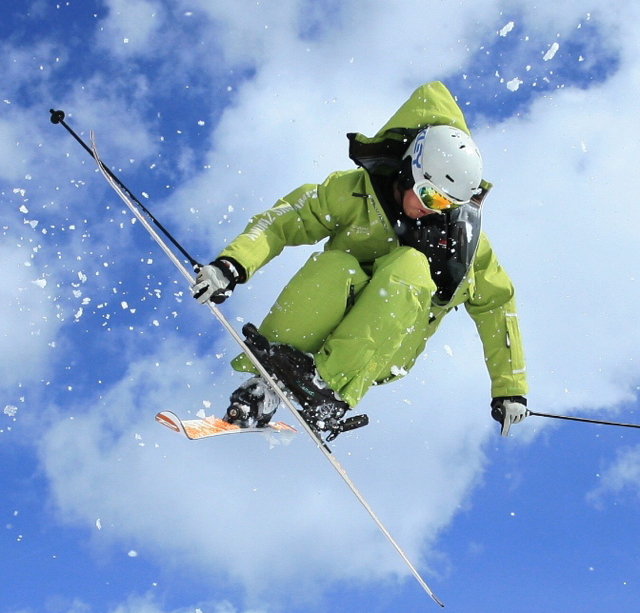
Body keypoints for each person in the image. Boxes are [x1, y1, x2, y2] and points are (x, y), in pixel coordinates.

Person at [193, 81, 529, 437]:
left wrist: (510, 388)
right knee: (335, 266)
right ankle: (269, 382)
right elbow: (284, 220)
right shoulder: (353, 191)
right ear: (410, 168)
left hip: (388, 340)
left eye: (446, 204)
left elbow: (497, 304)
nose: (432, 209)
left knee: (412, 266)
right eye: (429, 195)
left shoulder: (465, 242)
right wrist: (232, 264)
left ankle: (330, 386)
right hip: (333, 310)